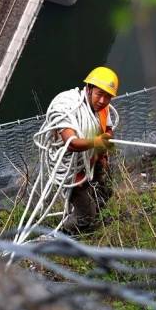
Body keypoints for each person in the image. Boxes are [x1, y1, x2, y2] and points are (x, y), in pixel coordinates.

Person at [40, 66, 120, 233]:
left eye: (108, 97)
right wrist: (96, 142)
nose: (102, 101)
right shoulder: (68, 107)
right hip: (73, 171)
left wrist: (104, 145)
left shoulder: (102, 109)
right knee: (86, 216)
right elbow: (71, 142)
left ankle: (92, 218)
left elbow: (108, 129)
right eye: (99, 94)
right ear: (89, 88)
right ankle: (64, 234)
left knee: (105, 192)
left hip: (93, 161)